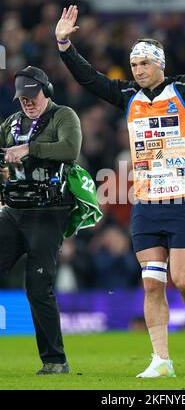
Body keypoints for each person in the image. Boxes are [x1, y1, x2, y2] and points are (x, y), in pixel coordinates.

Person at [55, 0, 185, 377]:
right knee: (151, 283)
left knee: (184, 280)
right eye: (134, 65)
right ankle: (161, 359)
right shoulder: (127, 97)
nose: (138, 70)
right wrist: (64, 46)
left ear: (159, 63)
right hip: (145, 201)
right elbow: (89, 78)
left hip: (184, 198)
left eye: (144, 63)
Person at [0, 66, 82, 374]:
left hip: (48, 212)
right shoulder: (11, 123)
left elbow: (71, 149)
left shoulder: (63, 116)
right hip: (13, 210)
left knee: (37, 286)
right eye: (22, 98)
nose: (27, 103)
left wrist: (29, 148)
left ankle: (55, 360)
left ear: (46, 91)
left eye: (32, 97)